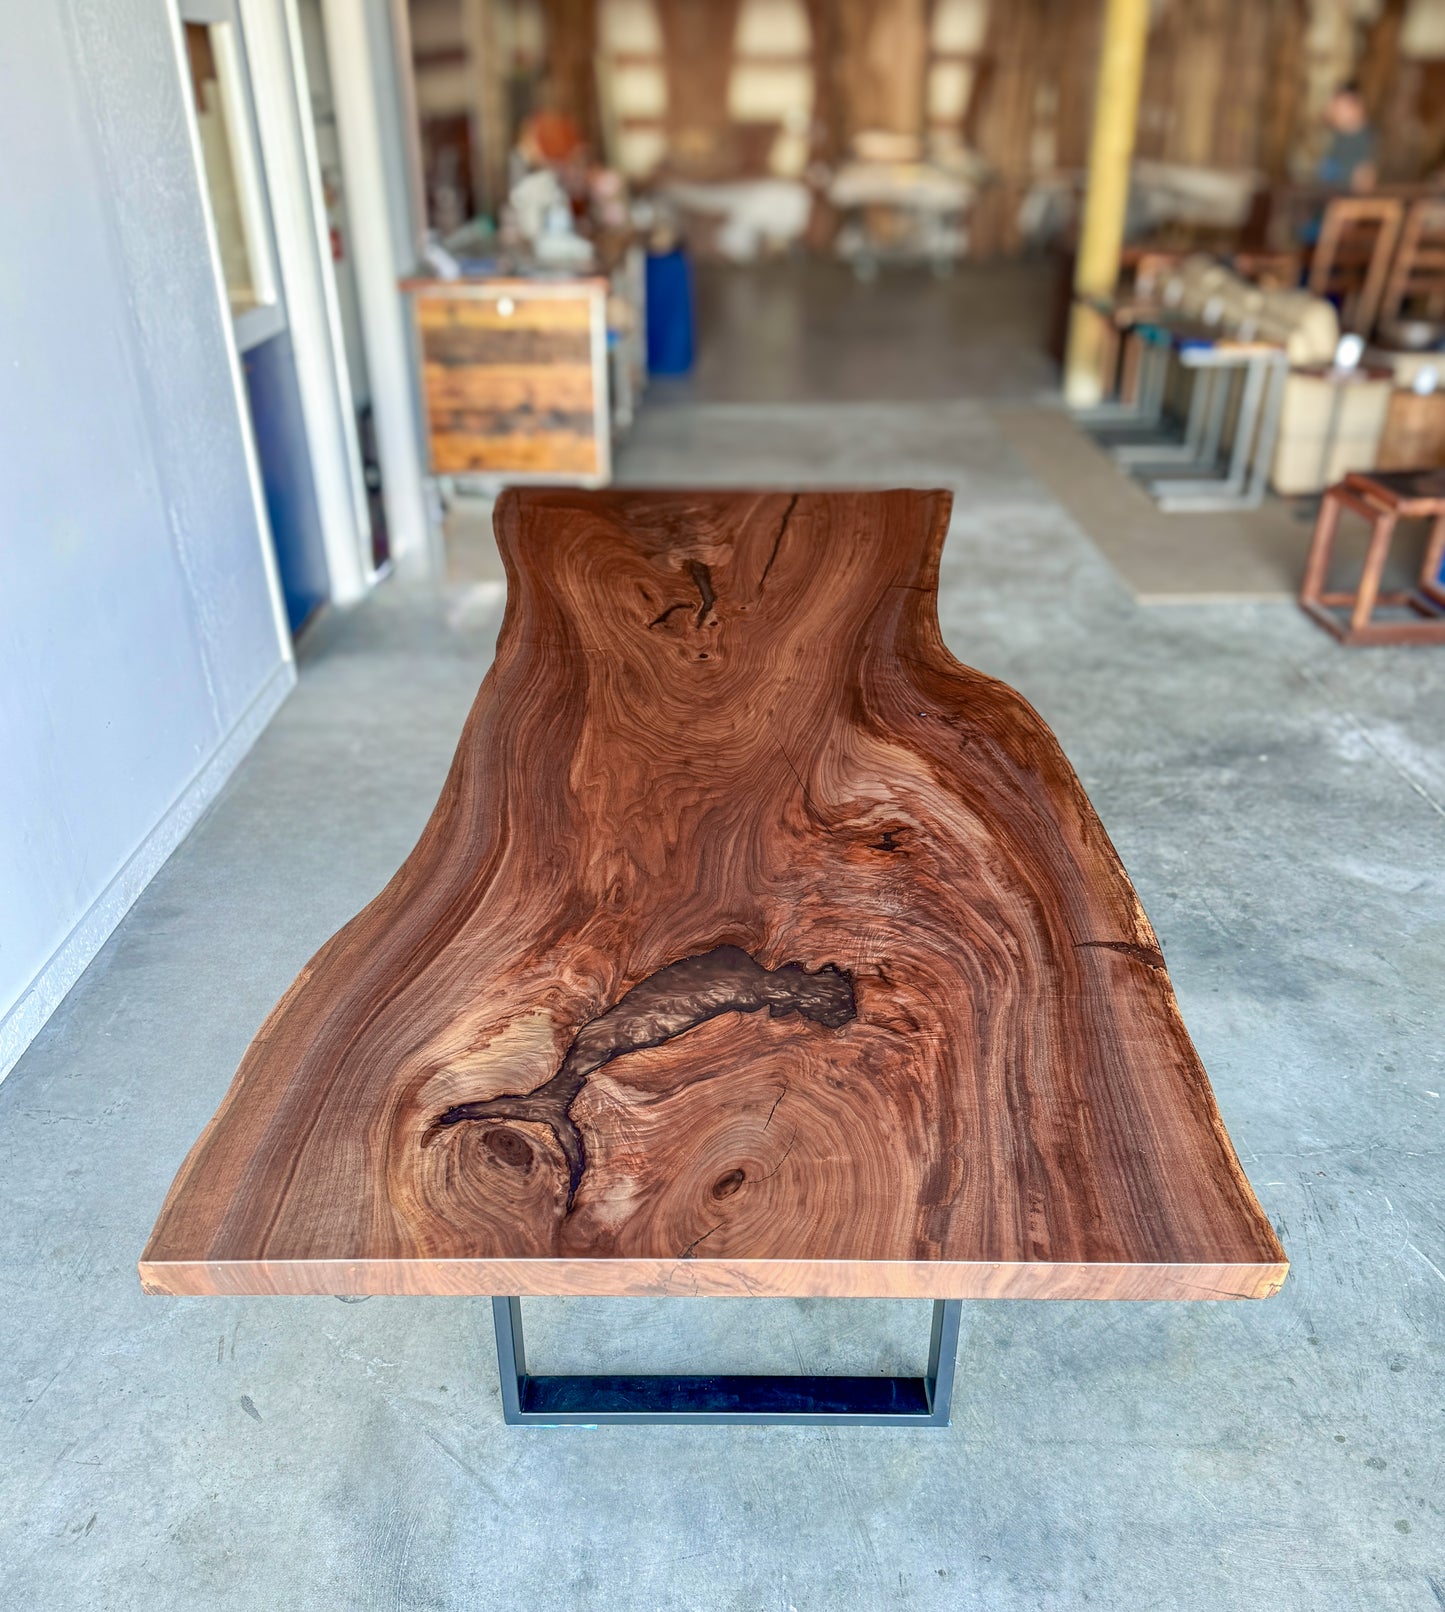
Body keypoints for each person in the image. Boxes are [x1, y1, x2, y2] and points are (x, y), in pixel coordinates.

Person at [1318, 83, 1377, 193]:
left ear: (1356, 107)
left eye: (1338, 106)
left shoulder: (1365, 142)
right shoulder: (1338, 137)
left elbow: (1364, 184)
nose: (1332, 110)